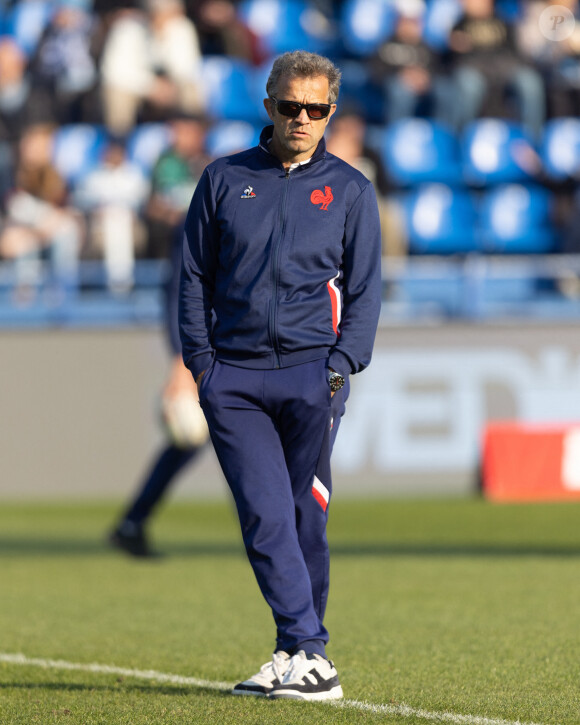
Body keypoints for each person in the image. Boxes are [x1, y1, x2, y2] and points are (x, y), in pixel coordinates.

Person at [179, 50, 382, 700]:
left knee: (305, 519)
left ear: (330, 113)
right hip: (233, 379)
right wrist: (201, 364)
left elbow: (368, 290)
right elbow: (190, 276)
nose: (302, 118)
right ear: (268, 105)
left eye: (316, 109)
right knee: (266, 517)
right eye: (290, 106)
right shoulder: (222, 178)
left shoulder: (350, 190)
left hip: (310, 375)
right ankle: (311, 653)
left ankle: (295, 649)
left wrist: (341, 363)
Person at [109, 224, 210, 557]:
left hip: (243, 344)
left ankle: (132, 522)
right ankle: (132, 522)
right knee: (203, 439)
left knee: (234, 440)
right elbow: (180, 290)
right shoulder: (200, 218)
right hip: (213, 348)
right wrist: (181, 360)